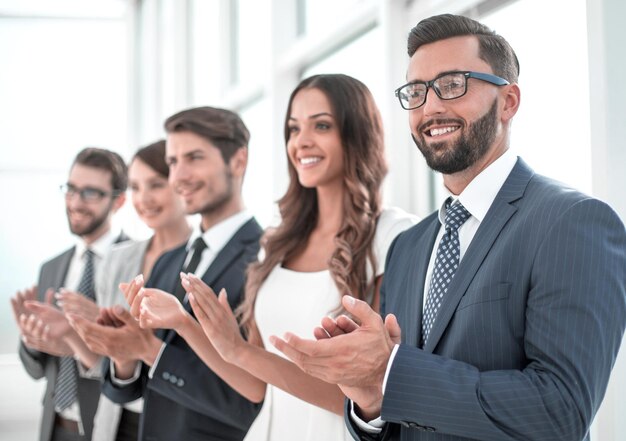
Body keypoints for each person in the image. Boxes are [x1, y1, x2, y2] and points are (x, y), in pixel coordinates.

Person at [271, 14, 626, 441]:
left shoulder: (572, 222)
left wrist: (391, 371)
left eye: (453, 85)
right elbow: (400, 421)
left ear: (508, 101)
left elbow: (560, 412)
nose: (431, 107)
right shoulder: (409, 246)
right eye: (417, 92)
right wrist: (369, 395)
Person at [132, 74, 417, 441]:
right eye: (293, 129)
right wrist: (187, 325)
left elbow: (364, 397)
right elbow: (256, 386)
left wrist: (239, 349)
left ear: (357, 134)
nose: (302, 142)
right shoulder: (278, 242)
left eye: (322, 125)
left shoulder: (393, 236)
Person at [68, 106, 263, 441]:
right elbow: (137, 391)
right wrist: (124, 355)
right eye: (173, 162)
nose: (180, 176)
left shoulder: (264, 259)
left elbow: (255, 400)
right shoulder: (170, 261)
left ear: (238, 161)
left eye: (195, 158)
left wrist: (149, 349)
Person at [62, 140, 191, 441]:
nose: (143, 198)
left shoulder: (202, 259)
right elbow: (104, 365)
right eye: (135, 187)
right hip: (115, 423)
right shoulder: (119, 258)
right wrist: (91, 335)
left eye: (156, 184)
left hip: (176, 425)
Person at [10, 147, 128, 441]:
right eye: (71, 189)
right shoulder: (51, 268)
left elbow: (134, 365)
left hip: (111, 427)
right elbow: (37, 370)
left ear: (119, 200)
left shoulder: (136, 264)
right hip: (55, 427)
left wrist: (79, 338)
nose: (75, 202)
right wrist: (32, 340)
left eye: (90, 193)